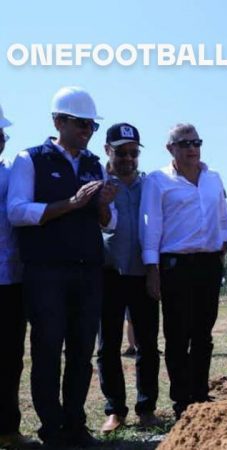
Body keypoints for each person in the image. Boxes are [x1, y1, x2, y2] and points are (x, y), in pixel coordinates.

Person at [8, 86, 117, 446]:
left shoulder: (92, 164)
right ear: (58, 121)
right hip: (46, 272)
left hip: (87, 270)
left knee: (82, 351)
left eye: (91, 126)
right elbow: (17, 211)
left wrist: (102, 205)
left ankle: (75, 424)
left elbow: (109, 223)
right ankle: (51, 428)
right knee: (48, 350)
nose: (87, 131)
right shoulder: (31, 159)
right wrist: (70, 203)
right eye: (81, 124)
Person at [140, 123, 227, 418]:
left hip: (207, 264)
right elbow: (150, 225)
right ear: (171, 148)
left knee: (203, 334)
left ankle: (200, 395)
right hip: (174, 265)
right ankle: (182, 401)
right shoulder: (157, 180)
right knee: (177, 336)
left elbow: (224, 216)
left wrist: (224, 244)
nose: (192, 148)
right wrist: (152, 268)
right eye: (185, 143)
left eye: (196, 142)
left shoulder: (213, 178)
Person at [97, 123, 160, 433]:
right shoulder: (97, 183)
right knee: (108, 347)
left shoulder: (149, 185)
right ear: (107, 150)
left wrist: (155, 270)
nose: (128, 158)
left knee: (147, 345)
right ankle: (115, 411)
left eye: (133, 152)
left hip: (143, 274)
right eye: (121, 152)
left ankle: (146, 408)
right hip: (107, 275)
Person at [0, 105, 38, 449]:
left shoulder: (11, 174)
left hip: (10, 282)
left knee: (10, 358)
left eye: (1, 134)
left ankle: (7, 429)